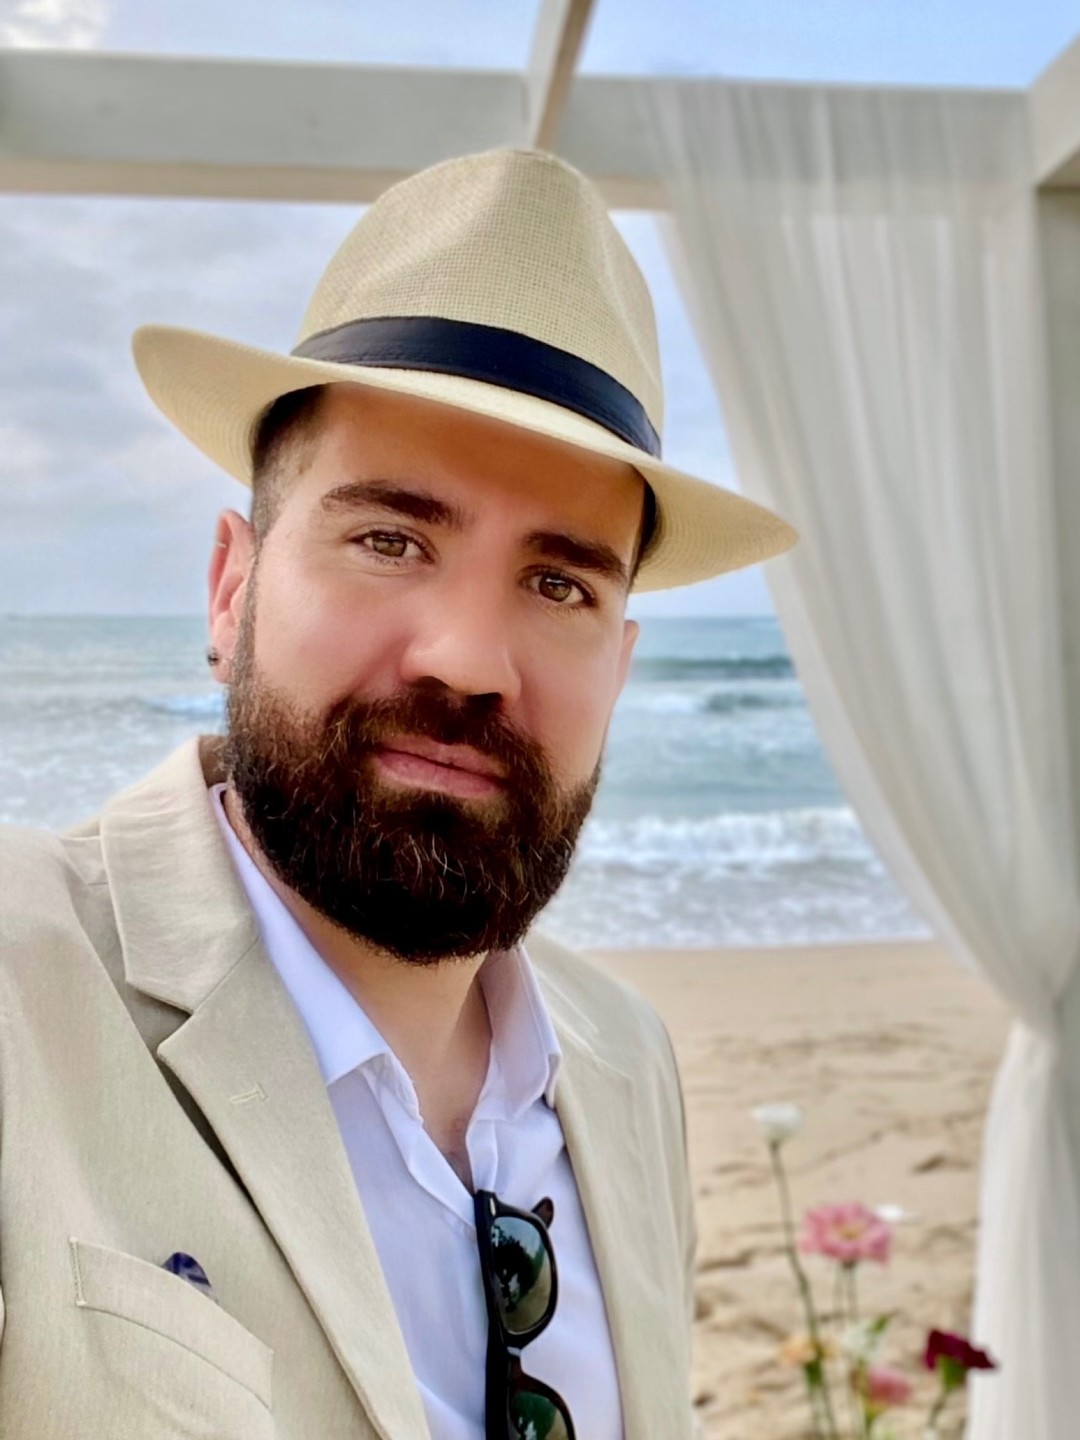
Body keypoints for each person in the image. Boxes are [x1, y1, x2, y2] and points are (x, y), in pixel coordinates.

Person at [0, 148, 796, 1440]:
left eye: (560, 584)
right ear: (231, 590)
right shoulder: (21, 985)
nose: (468, 660)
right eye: (389, 539)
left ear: (619, 663)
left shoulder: (626, 1060)